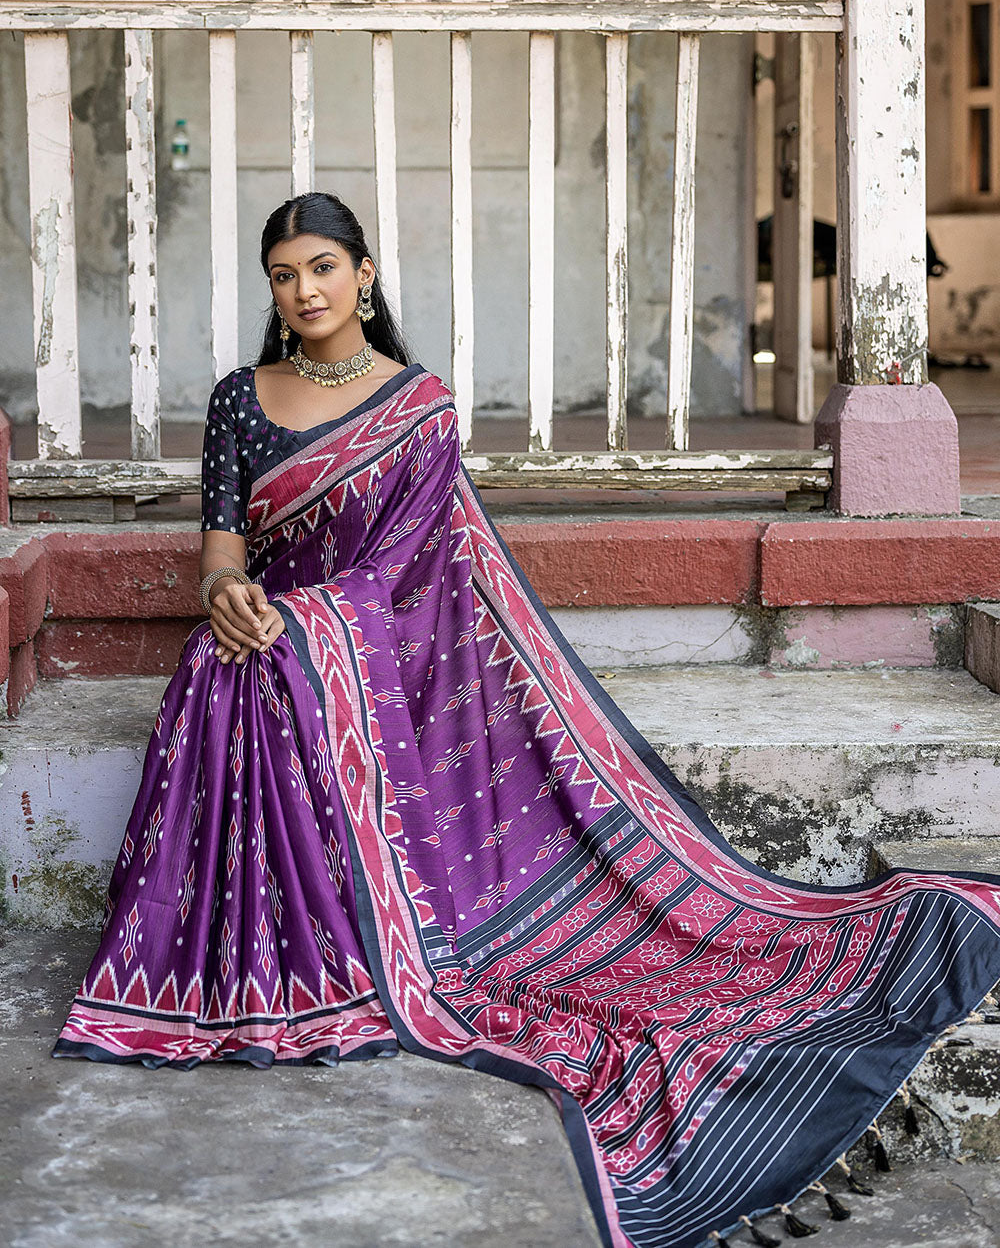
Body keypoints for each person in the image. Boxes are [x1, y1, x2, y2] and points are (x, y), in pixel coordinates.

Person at [52, 191, 1000, 1248]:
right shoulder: (239, 400)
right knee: (219, 665)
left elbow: (406, 577)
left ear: (364, 274)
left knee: (268, 666)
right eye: (283, 274)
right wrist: (229, 594)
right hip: (271, 640)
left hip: (371, 658)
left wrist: (295, 621)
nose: (304, 291)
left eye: (322, 267)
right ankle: (235, 957)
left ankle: (335, 915)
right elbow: (221, 541)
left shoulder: (418, 407)